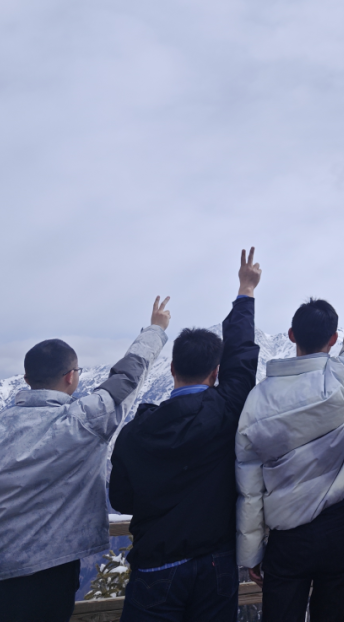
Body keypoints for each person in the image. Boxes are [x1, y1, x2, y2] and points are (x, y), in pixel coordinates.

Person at [0, 296, 172, 622]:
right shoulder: (84, 420)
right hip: (49, 579)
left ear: (26, 379)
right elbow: (127, 377)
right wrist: (156, 330)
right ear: (71, 377)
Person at [235, 223, 344, 622]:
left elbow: (249, 488)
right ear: (334, 339)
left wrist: (251, 553)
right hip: (340, 528)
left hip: (287, 538)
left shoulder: (258, 400)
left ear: (291, 335)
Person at [109, 248, 262, 621]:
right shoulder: (226, 411)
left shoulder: (135, 434)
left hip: (156, 565)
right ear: (215, 373)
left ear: (172, 368)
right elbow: (242, 358)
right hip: (215, 563)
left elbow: (121, 498)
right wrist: (246, 291)